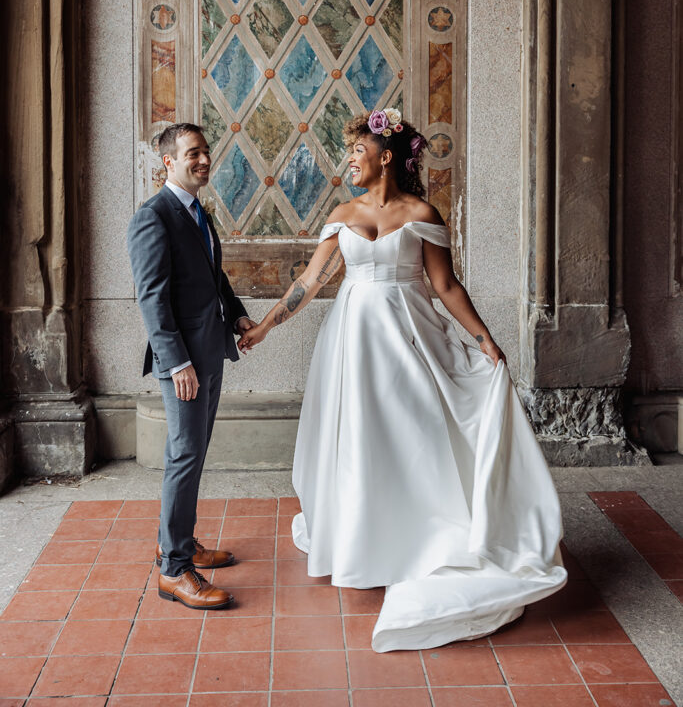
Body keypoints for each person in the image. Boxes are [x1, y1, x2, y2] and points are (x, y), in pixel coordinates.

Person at [239, 107, 566, 651]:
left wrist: (484, 339)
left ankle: (422, 538)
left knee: (414, 435)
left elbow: (446, 286)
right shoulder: (343, 213)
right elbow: (310, 281)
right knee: (359, 437)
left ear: (384, 156)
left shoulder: (421, 212)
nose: (348, 160)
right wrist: (266, 327)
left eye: (355, 151)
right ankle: (362, 539)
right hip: (351, 342)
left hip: (410, 337)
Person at [127, 123, 255, 610]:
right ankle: (174, 571)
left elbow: (212, 273)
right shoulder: (153, 217)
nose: (203, 160)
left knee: (195, 452)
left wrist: (237, 311)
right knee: (184, 456)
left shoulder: (196, 211)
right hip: (182, 362)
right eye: (192, 154)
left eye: (206, 151)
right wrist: (177, 362)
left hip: (209, 352)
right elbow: (151, 299)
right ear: (168, 162)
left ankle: (177, 539)